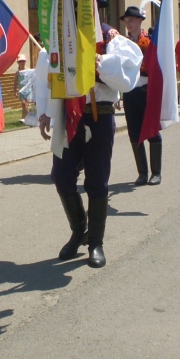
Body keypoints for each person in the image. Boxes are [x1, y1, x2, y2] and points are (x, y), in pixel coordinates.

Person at [37, 23, 142, 267]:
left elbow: (127, 79)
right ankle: (79, 230)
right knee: (61, 177)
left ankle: (96, 242)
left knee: (97, 181)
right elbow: (45, 76)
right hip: (67, 115)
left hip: (100, 114)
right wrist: (43, 112)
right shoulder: (59, 35)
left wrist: (99, 61)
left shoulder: (109, 38)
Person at [122, 6, 164, 186]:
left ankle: (156, 173)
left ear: (140, 21)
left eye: (131, 20)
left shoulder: (149, 41)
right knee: (134, 133)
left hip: (147, 91)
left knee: (152, 131)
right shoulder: (122, 42)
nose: (128, 24)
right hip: (130, 91)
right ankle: (142, 173)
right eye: (126, 21)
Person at [13, 54, 32, 120]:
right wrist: (15, 90)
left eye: (23, 61)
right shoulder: (18, 73)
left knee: (25, 103)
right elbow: (15, 82)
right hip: (22, 91)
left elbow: (32, 80)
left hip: (28, 90)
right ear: (18, 63)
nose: (22, 63)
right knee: (24, 104)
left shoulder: (28, 71)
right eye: (20, 61)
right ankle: (24, 117)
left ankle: (27, 118)